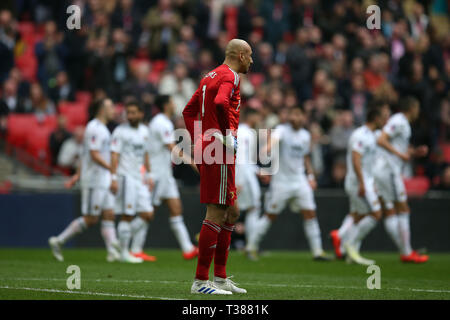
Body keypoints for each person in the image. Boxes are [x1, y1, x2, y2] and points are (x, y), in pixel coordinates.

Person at [182, 39, 253, 295]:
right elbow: (222, 103)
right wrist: (225, 135)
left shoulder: (208, 76)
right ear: (242, 55)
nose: (252, 61)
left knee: (232, 211)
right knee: (217, 211)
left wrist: (199, 140)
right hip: (220, 149)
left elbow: (188, 111)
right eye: (251, 55)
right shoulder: (231, 76)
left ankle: (221, 278)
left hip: (210, 146)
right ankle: (201, 281)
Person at [246, 106, 332, 261]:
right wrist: (267, 149)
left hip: (300, 181)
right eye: (293, 114)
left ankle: (318, 251)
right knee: (270, 216)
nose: (295, 117)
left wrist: (311, 176)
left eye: (298, 114)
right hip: (282, 183)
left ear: (303, 117)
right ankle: (251, 247)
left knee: (310, 214)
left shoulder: (305, 135)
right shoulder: (282, 130)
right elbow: (273, 141)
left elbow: (305, 157)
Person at [49, 98, 120, 262]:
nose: (113, 110)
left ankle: (112, 252)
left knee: (109, 213)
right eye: (110, 107)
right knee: (91, 219)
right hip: (94, 179)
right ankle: (59, 241)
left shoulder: (102, 128)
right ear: (101, 109)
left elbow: (85, 154)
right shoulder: (95, 128)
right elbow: (94, 155)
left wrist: (77, 174)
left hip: (103, 178)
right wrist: (111, 168)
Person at [374, 96, 429, 263]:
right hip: (389, 170)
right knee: (403, 209)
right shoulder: (398, 120)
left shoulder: (402, 123)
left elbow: (397, 147)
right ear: (412, 108)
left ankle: (406, 250)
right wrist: (400, 155)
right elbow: (381, 139)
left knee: (392, 210)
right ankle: (406, 252)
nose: (418, 111)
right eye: (417, 107)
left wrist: (413, 152)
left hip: (388, 170)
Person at [144, 94, 198, 260]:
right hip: (157, 174)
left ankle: (188, 248)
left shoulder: (161, 122)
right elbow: (172, 147)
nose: (175, 105)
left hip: (165, 175)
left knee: (176, 209)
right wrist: (192, 162)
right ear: (166, 105)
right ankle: (132, 248)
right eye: (173, 102)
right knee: (148, 213)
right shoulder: (162, 122)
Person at [110, 100, 156, 263]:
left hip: (139, 178)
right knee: (127, 215)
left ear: (141, 114)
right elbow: (114, 155)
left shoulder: (145, 131)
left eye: (133, 112)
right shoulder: (120, 132)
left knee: (147, 214)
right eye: (127, 113)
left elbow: (146, 154)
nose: (129, 116)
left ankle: (119, 241)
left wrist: (149, 175)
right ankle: (123, 253)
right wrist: (113, 178)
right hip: (125, 177)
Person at [339, 107, 385, 265]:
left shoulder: (372, 135)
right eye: (383, 118)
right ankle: (349, 244)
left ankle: (349, 250)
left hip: (366, 181)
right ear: (376, 118)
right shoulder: (361, 135)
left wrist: (372, 182)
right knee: (375, 214)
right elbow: (356, 159)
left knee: (358, 215)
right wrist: (362, 183)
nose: (385, 121)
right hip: (358, 182)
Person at [235, 107, 265, 256]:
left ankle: (251, 245)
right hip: (243, 177)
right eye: (258, 116)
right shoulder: (245, 133)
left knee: (231, 211)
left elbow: (246, 160)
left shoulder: (245, 132)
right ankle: (251, 246)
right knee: (253, 208)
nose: (260, 119)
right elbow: (240, 159)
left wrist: (258, 171)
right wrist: (239, 181)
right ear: (251, 116)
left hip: (246, 174)